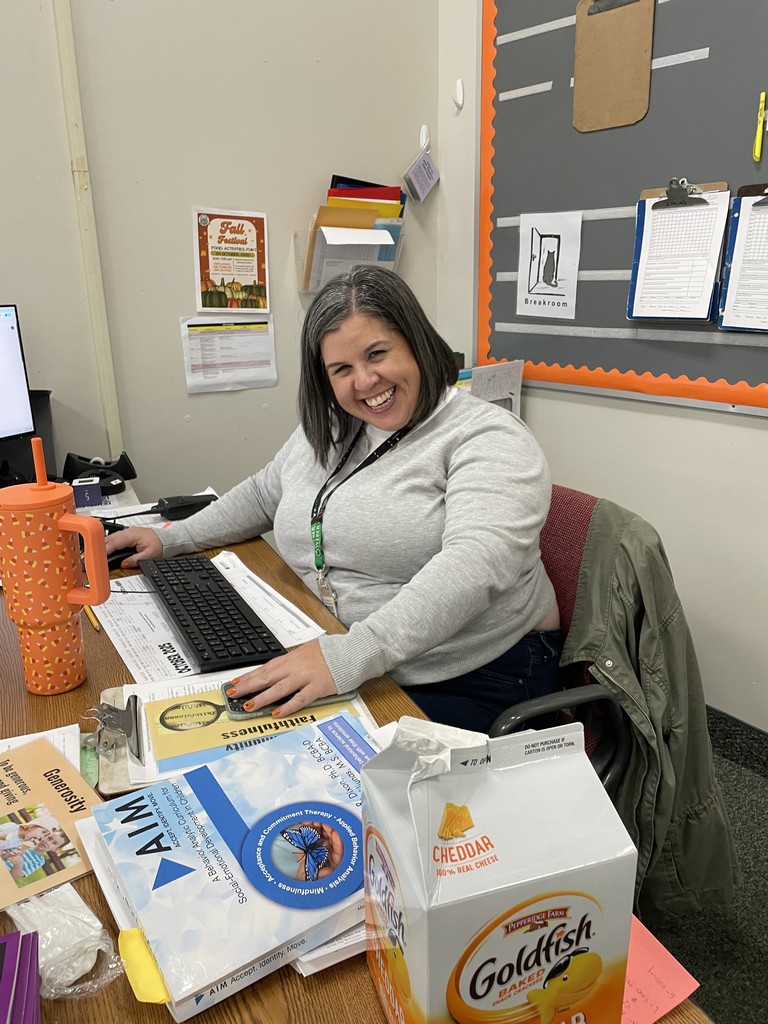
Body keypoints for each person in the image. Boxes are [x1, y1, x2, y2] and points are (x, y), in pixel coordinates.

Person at [106, 266, 562, 732]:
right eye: (342, 369)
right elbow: (264, 494)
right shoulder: (335, 425)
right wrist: (173, 538)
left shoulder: (488, 436)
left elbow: (476, 564)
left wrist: (346, 656)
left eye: (377, 354)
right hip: (343, 649)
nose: (364, 382)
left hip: (471, 674)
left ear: (417, 343)